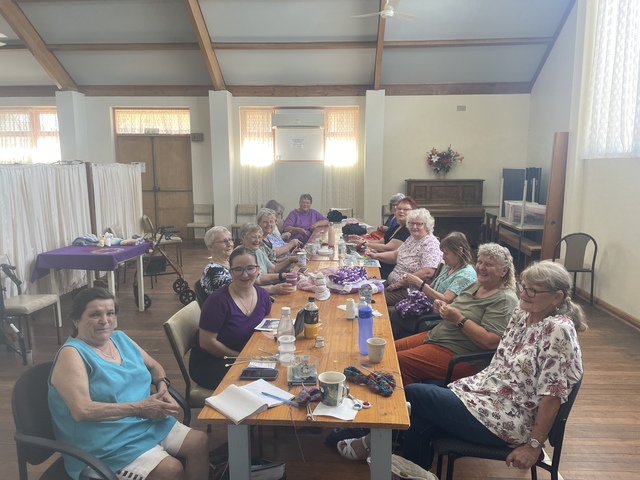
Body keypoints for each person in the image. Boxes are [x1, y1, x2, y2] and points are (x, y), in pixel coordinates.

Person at [337, 261, 585, 466]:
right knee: (419, 417)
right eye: (524, 287)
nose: (523, 293)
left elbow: (552, 395)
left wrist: (533, 446)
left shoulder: (557, 330)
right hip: (483, 394)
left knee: (414, 394)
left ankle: (369, 443)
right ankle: (410, 469)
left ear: (556, 297)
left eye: (533, 291)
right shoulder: (523, 313)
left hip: (507, 418)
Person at [48, 288, 209, 480]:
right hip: (105, 443)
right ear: (76, 320)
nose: (105, 320)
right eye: (95, 314)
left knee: (200, 442)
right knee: (171, 470)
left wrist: (162, 386)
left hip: (144, 422)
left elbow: (154, 366)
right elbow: (82, 410)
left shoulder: (119, 338)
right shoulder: (72, 354)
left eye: (110, 313)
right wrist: (141, 407)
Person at [393, 243, 518, 385]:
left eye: (489, 264)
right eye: (480, 262)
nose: (481, 267)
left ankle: (405, 397)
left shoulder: (505, 299)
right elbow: (458, 308)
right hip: (437, 336)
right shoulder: (478, 285)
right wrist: (443, 307)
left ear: (504, 271)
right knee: (388, 350)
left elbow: (491, 342)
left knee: (399, 362)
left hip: (461, 355)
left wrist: (459, 319)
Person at [189, 247, 273, 390]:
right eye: (238, 269)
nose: (245, 275)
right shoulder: (217, 302)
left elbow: (266, 325)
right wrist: (242, 357)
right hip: (213, 362)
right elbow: (207, 343)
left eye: (250, 268)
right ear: (230, 272)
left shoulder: (263, 296)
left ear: (258, 269)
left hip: (245, 355)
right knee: (266, 380)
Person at [390, 231, 477, 338]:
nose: (443, 257)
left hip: (438, 317)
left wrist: (419, 283)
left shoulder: (466, 275)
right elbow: (432, 287)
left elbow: (446, 299)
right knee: (394, 314)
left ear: (460, 251)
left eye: (446, 253)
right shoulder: (450, 267)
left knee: (394, 315)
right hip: (429, 308)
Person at [365, 208, 443, 303]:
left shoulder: (430, 243)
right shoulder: (412, 238)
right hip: (392, 284)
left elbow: (427, 272)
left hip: (408, 290)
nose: (414, 227)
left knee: (366, 296)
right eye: (411, 223)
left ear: (427, 225)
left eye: (419, 224)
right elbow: (396, 255)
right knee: (362, 287)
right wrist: (376, 256)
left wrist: (399, 284)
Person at [350, 196, 417, 278]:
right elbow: (381, 241)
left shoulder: (407, 230)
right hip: (380, 262)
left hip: (389, 268)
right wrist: (361, 239)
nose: (401, 211)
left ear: (413, 212)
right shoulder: (396, 227)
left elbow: (387, 247)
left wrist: (364, 243)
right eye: (399, 209)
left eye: (406, 209)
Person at [239, 223, 296, 296]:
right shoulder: (240, 256)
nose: (257, 240)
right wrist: (274, 288)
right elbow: (258, 280)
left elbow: (273, 269)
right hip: (258, 294)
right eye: (254, 237)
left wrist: (290, 260)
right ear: (243, 238)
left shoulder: (257, 251)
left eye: (259, 237)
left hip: (269, 290)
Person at [200, 226, 233, 296]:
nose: (230, 244)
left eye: (230, 240)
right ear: (211, 247)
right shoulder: (215, 272)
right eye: (224, 241)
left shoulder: (229, 263)